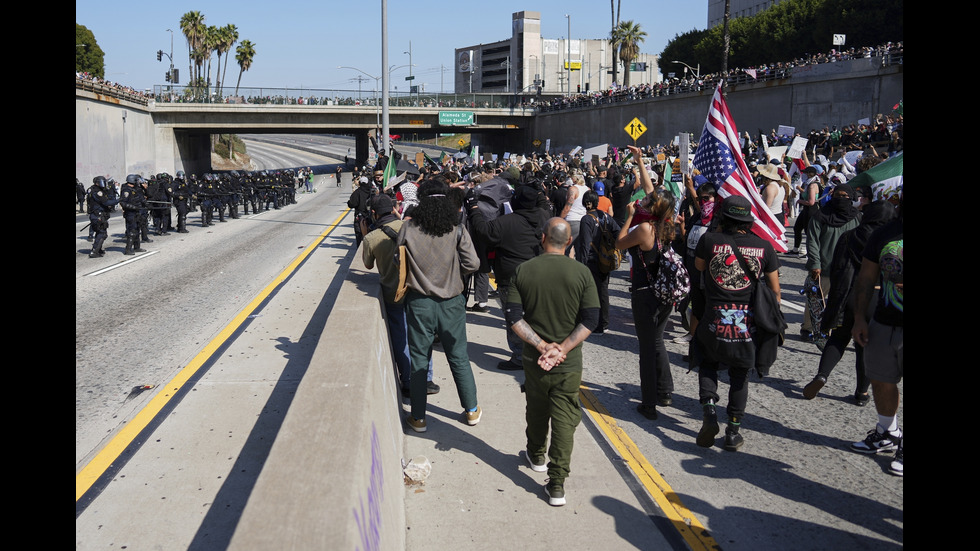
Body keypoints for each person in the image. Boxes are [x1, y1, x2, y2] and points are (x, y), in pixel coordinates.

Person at [505, 217, 599, 507]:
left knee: (536, 407)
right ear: (569, 241)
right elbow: (591, 319)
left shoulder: (523, 271)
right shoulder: (582, 273)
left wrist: (542, 346)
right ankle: (556, 483)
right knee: (564, 418)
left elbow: (514, 318)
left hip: (535, 360)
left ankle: (536, 454)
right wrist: (563, 348)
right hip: (567, 364)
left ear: (543, 238)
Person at [693, 195, 780, 451]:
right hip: (745, 324)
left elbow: (699, 267)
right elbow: (775, 292)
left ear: (724, 218)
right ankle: (732, 430)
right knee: (740, 374)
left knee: (707, 362)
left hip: (714, 318)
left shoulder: (709, 240)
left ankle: (709, 411)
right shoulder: (765, 247)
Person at [398, 179, 482, 433]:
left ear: (420, 201)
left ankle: (419, 418)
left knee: (420, 360)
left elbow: (397, 261)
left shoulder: (408, 229)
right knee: (458, 357)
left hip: (418, 302)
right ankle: (471, 411)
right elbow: (473, 264)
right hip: (452, 302)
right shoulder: (457, 230)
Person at [803, 200, 896, 404]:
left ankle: (822, 375)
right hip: (878, 297)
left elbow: (838, 267)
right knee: (865, 345)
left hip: (850, 295)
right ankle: (862, 393)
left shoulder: (850, 236)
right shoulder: (891, 240)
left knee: (838, 337)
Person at [360, 194, 438, 397]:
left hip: (393, 295)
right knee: (422, 335)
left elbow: (368, 265)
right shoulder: (411, 228)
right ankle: (427, 378)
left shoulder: (372, 238)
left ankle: (409, 381)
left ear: (374, 213)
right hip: (417, 290)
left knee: (401, 337)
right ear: (394, 208)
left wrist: (364, 233)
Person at [467, 183, 548, 371]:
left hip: (511, 278)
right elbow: (543, 203)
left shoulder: (507, 222)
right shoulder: (544, 216)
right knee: (535, 316)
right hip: (539, 276)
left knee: (514, 318)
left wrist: (473, 208)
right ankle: (537, 348)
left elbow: (483, 230)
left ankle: (520, 356)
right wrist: (538, 189)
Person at [849, 194, 903, 476]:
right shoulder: (884, 233)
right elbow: (867, 277)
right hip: (883, 321)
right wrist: (859, 317)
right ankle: (887, 431)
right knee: (881, 381)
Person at [616, 183, 678, 420]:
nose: (643, 199)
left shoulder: (644, 228)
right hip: (664, 291)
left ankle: (649, 402)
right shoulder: (668, 226)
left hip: (646, 293)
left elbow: (619, 243)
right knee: (657, 341)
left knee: (647, 347)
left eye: (648, 200)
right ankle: (664, 391)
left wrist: (629, 217)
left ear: (653, 208)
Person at [802, 183, 861, 341]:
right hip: (824, 267)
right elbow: (812, 241)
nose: (840, 199)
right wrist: (815, 263)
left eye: (844, 196)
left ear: (851, 198)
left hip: (847, 268)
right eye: (837, 195)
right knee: (815, 300)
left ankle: (832, 328)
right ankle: (808, 328)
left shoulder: (857, 217)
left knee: (842, 302)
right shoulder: (820, 216)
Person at [574, 190, 620, 334]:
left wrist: (581, 264)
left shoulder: (587, 219)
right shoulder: (606, 216)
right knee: (603, 291)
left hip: (592, 260)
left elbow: (585, 244)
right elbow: (618, 232)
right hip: (605, 259)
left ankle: (592, 322)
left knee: (590, 292)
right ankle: (603, 323)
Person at [86, 176, 118, 257]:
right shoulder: (97, 192)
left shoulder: (92, 189)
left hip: (96, 214)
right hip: (98, 215)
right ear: (97, 183)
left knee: (100, 232)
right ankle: (94, 251)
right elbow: (106, 202)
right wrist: (118, 200)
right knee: (102, 233)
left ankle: (98, 249)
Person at [348, 176, 376, 247]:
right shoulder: (372, 192)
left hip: (360, 217)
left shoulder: (357, 192)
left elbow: (352, 203)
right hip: (371, 217)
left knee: (359, 235)